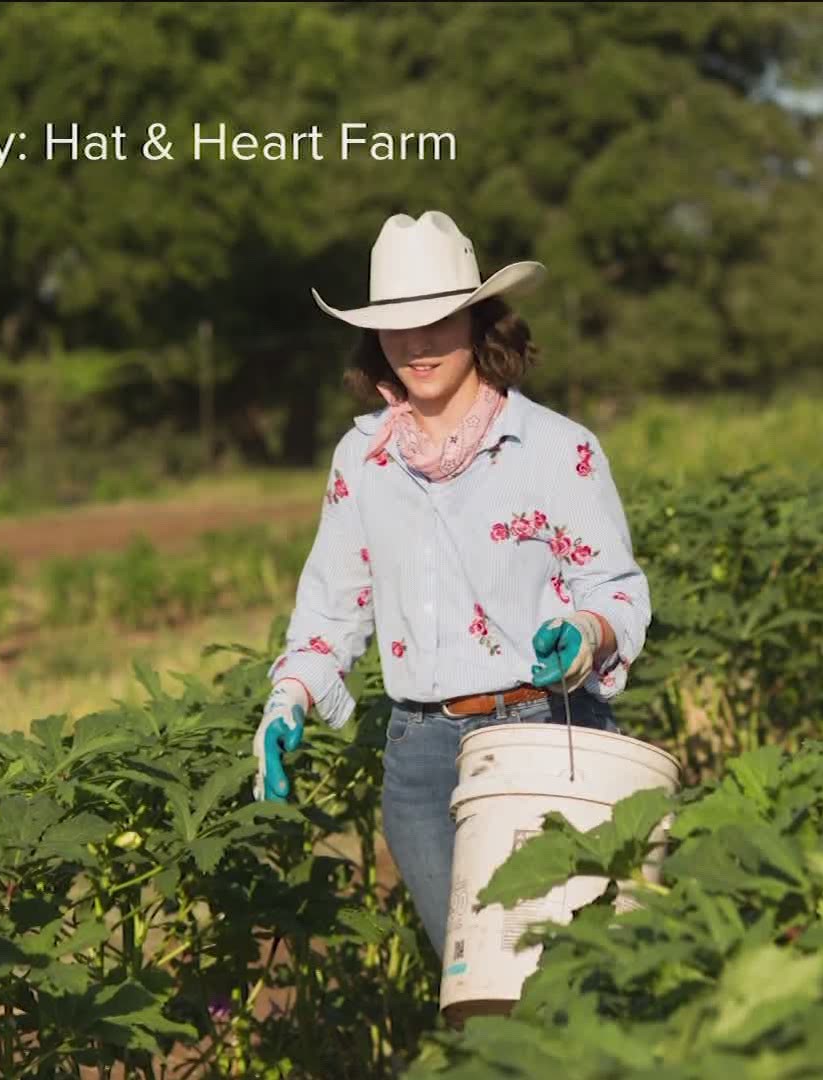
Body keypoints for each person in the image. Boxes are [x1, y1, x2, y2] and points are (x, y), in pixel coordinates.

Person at [250, 209, 652, 965]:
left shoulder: (555, 449)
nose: (416, 344)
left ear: (476, 321)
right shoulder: (361, 457)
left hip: (539, 731)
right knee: (482, 997)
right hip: (420, 760)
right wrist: (289, 699)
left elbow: (616, 588)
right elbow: (331, 607)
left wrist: (587, 634)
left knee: (565, 984)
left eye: (436, 321)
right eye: (396, 326)